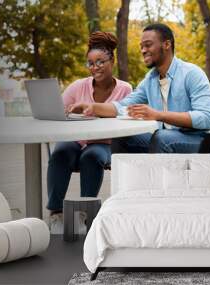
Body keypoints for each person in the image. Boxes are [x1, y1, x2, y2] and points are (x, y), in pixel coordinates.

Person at [69, 23, 210, 153]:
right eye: (141, 47)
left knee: (161, 138)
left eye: (148, 45)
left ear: (166, 44)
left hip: (197, 139)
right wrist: (90, 107)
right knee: (121, 137)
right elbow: (121, 107)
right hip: (163, 136)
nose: (143, 50)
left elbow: (207, 118)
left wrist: (158, 115)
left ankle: (153, 184)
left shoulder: (191, 73)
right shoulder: (150, 80)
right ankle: (127, 184)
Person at [47, 32, 132, 233]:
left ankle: (87, 214)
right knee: (60, 153)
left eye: (100, 62)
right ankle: (56, 213)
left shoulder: (125, 89)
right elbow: (57, 109)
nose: (95, 67)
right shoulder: (78, 86)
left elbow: (126, 116)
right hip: (77, 140)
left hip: (105, 143)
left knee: (91, 156)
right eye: (91, 63)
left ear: (112, 61)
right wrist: (68, 110)